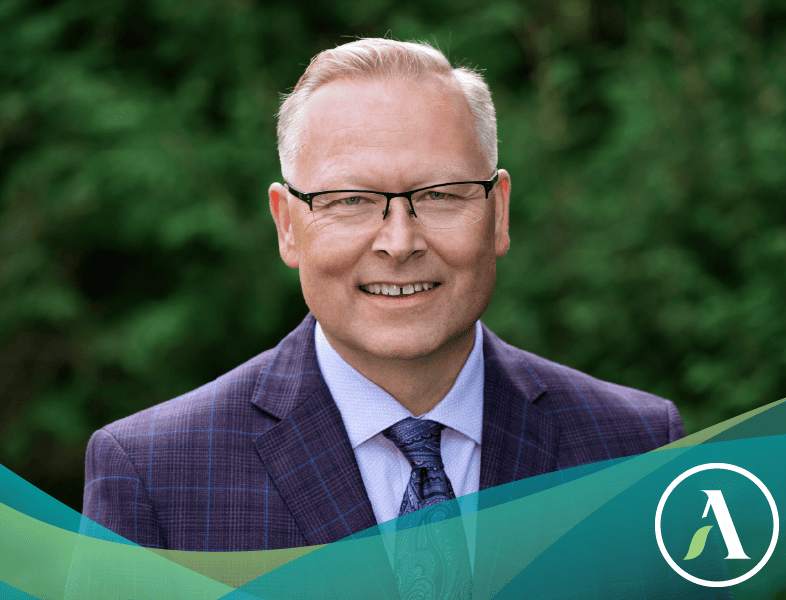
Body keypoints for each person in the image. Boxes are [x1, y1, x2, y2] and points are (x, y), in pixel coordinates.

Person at [83, 38, 685, 564]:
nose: (399, 243)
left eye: (443, 195)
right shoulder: (155, 475)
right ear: (288, 224)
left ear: (498, 213)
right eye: (351, 200)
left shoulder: (635, 449)